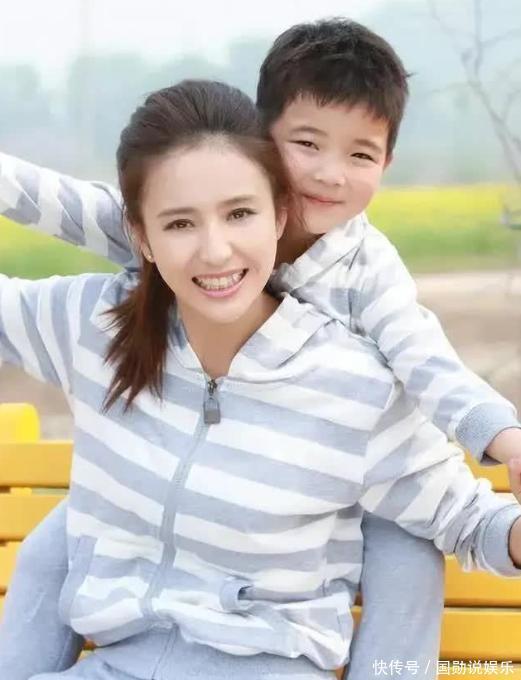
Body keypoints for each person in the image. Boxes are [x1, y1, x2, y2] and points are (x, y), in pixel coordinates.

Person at [2, 19, 521, 680]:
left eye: (360, 155)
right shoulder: (113, 304)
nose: (329, 174)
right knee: (56, 541)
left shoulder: (366, 285)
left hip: (355, 484)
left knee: (407, 549)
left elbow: (428, 366)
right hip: (170, 559)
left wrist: (504, 439)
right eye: (307, 144)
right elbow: (60, 203)